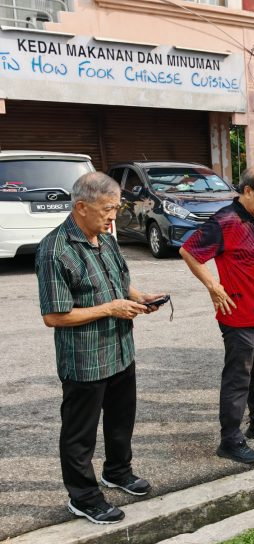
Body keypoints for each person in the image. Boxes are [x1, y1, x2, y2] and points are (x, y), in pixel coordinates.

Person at [36, 171, 165, 524]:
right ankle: (83, 497)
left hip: (120, 349)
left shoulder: (105, 238)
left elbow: (118, 284)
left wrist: (140, 297)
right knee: (79, 434)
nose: (113, 216)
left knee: (121, 419)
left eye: (115, 207)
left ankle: (118, 472)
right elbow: (54, 316)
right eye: (107, 209)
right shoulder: (55, 250)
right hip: (85, 359)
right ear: (80, 207)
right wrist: (110, 309)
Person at [179, 165, 254, 465]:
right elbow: (189, 251)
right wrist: (213, 287)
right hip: (239, 314)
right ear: (247, 191)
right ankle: (230, 440)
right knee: (238, 378)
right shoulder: (224, 221)